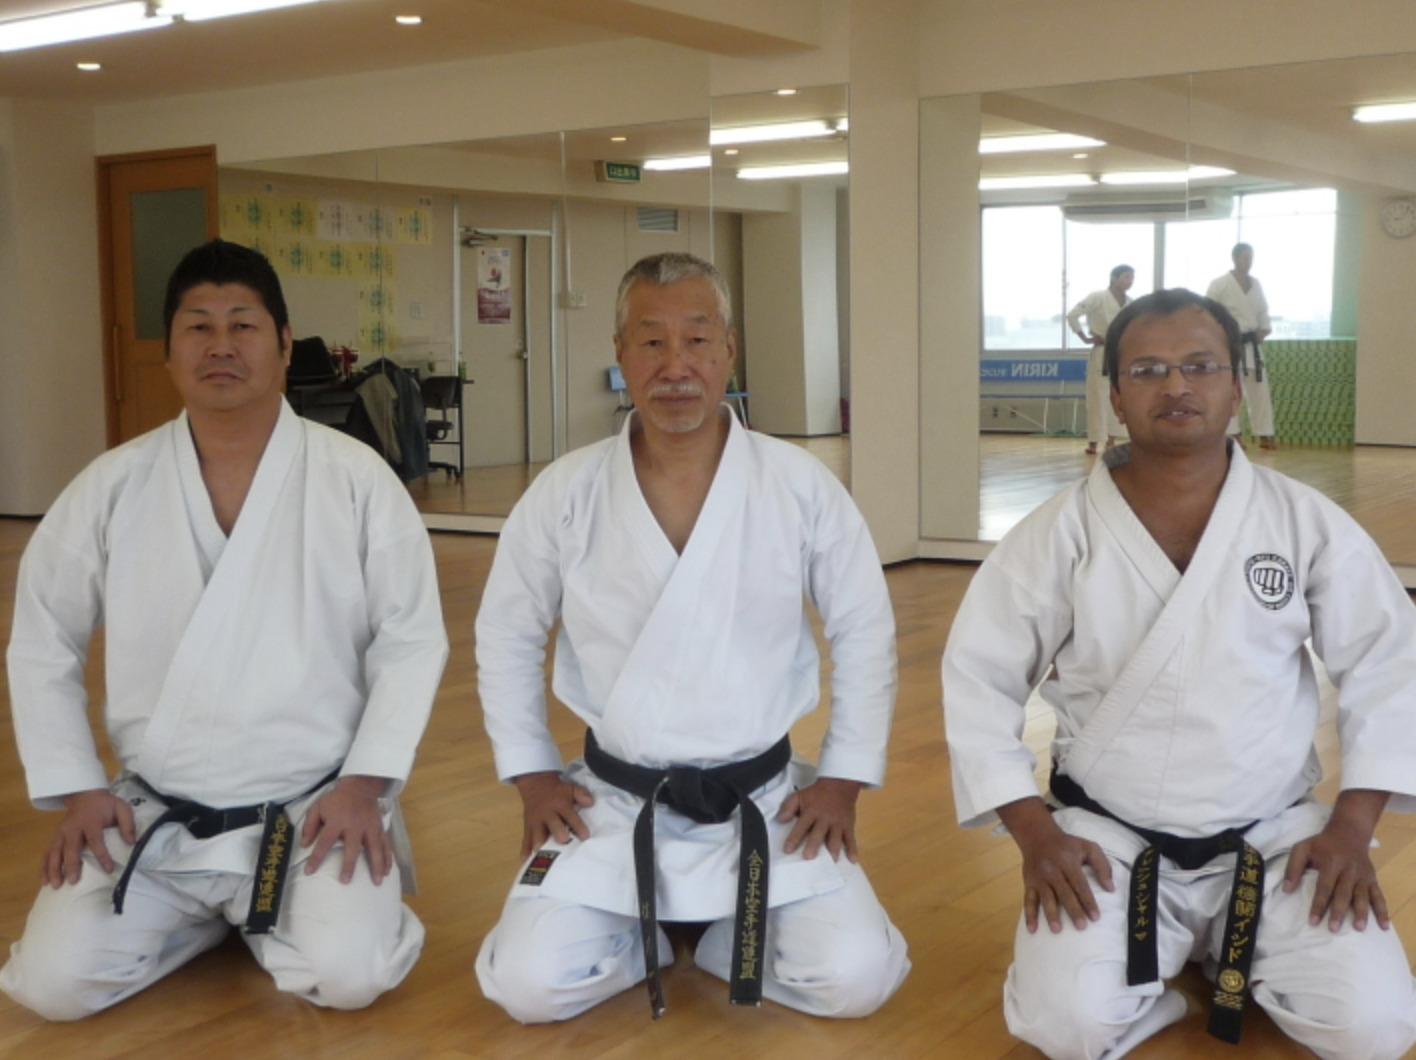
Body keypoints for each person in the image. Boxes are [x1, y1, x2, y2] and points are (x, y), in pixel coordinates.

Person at [942, 288, 1416, 1060]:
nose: (1176, 385)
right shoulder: (1058, 532)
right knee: (1066, 1027)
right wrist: (1035, 834)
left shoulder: (1302, 521)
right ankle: (1190, 969)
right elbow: (978, 677)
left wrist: (1352, 829)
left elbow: (1388, 662)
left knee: (1375, 1028)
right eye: (1148, 370)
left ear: (1236, 385)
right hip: (1108, 839)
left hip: (1274, 835)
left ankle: (1226, 943)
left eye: (1200, 366)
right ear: (1116, 395)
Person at [1, 239, 448, 1020]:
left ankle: (256, 910)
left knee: (349, 976)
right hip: (158, 815)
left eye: (243, 325)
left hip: (312, 811)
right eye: (197, 327)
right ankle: (220, 916)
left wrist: (364, 785)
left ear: (284, 344)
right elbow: (44, 640)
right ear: (169, 351)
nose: (220, 346)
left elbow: (410, 639)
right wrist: (78, 789)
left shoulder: (355, 480)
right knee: (51, 984)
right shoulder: (112, 485)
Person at [474, 252, 909, 1023]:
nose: (675, 365)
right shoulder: (567, 492)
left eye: (698, 340)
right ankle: (649, 930)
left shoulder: (798, 484)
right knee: (527, 985)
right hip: (613, 800)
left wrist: (842, 779)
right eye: (651, 341)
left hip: (762, 801)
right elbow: (507, 632)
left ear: (729, 351)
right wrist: (533, 774)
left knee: (856, 978)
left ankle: (712, 936)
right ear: (620, 353)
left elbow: (864, 630)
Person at [1207, 242, 1276, 449]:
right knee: (1230, 390)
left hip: (1252, 345)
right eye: (1245, 258)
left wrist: (1263, 330)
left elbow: (1263, 312)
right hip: (1229, 344)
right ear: (1235, 258)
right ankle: (1233, 434)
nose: (1249, 262)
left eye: (1251, 258)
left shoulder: (1256, 284)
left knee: (1260, 391)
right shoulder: (1219, 284)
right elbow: (1209, 313)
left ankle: (1264, 434)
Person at [1066, 265, 1134, 455]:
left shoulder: (1130, 303)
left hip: (1121, 353)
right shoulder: (1098, 297)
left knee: (1118, 395)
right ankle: (1094, 442)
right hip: (1101, 351)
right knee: (1098, 397)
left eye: (1131, 278)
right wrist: (1085, 338)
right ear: (1114, 278)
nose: (1129, 282)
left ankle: (1111, 439)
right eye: (1126, 277)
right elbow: (1072, 315)